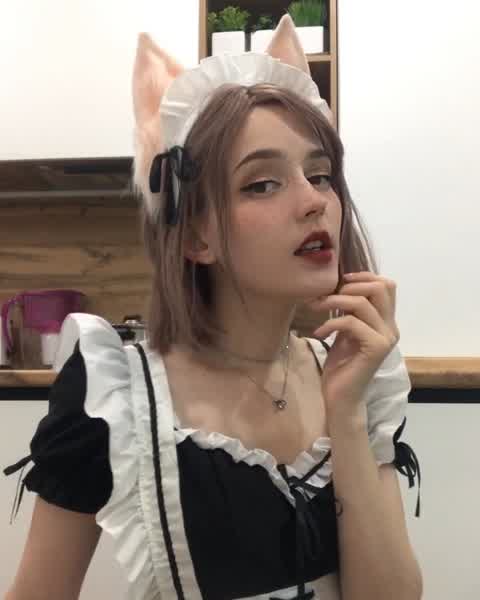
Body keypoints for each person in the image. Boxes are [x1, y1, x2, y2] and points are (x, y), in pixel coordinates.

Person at [4, 14, 422, 600]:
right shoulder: (117, 397)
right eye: (262, 183)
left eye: (321, 175)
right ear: (197, 237)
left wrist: (348, 416)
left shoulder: (355, 377)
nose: (314, 201)